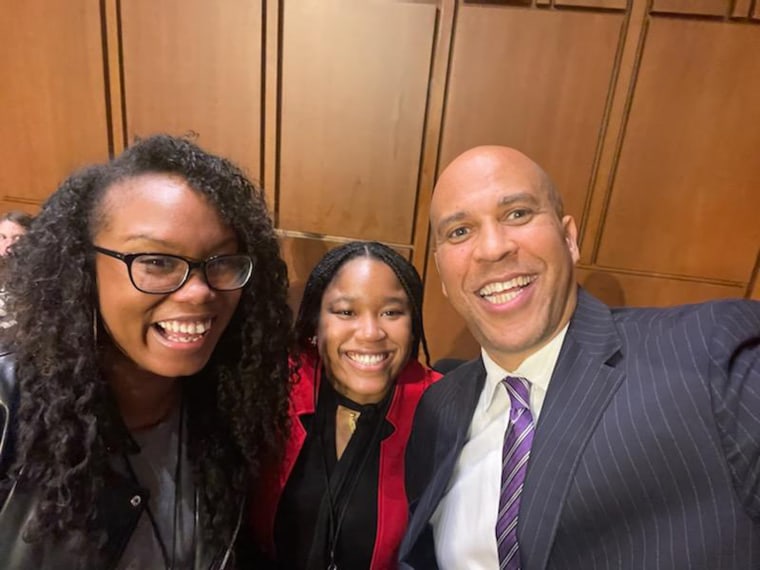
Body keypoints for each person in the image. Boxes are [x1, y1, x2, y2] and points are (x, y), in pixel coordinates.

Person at [400, 146, 760, 569]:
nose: (492, 248)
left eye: (516, 213)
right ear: (442, 275)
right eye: (459, 231)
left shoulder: (710, 352)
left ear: (569, 239)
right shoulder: (438, 407)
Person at [0, 135, 293, 569]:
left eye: (222, 261)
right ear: (84, 268)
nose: (198, 293)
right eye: (157, 261)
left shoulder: (226, 411)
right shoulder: (10, 408)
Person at [251, 241, 442, 569]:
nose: (370, 332)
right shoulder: (273, 384)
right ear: (315, 323)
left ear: (413, 328)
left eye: (391, 312)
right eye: (346, 312)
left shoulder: (443, 406)